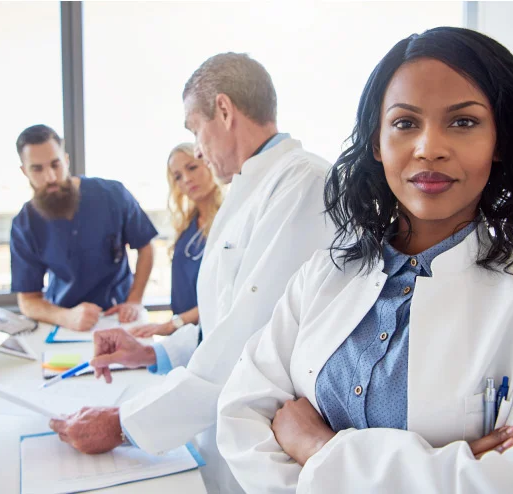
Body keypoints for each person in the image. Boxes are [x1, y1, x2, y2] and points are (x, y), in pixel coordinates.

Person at [217, 26, 513, 493]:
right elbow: (241, 415)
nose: (429, 147)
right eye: (405, 123)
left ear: (499, 141)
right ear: (377, 143)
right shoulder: (323, 278)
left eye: (463, 122)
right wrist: (443, 469)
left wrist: (319, 450)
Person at [49, 53, 336, 493]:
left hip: (270, 440)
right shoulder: (253, 186)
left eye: (193, 128)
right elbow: (222, 319)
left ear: (224, 110)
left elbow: (249, 341)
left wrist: (123, 423)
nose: (197, 149)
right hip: (227, 424)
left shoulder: (302, 184)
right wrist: (153, 352)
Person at [10, 124, 158, 331]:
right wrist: (66, 317)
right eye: (37, 168)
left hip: (118, 314)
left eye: (55, 165)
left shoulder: (112, 194)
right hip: (64, 320)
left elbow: (146, 247)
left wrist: (134, 299)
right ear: (24, 171)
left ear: (66, 160)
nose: (50, 177)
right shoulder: (25, 224)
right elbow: (27, 300)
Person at [129, 143, 224, 338]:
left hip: (212, 334)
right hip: (184, 335)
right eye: (178, 176)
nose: (186, 179)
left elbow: (226, 294)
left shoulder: (229, 219)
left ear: (208, 163)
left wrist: (175, 323)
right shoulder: (187, 225)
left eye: (192, 168)